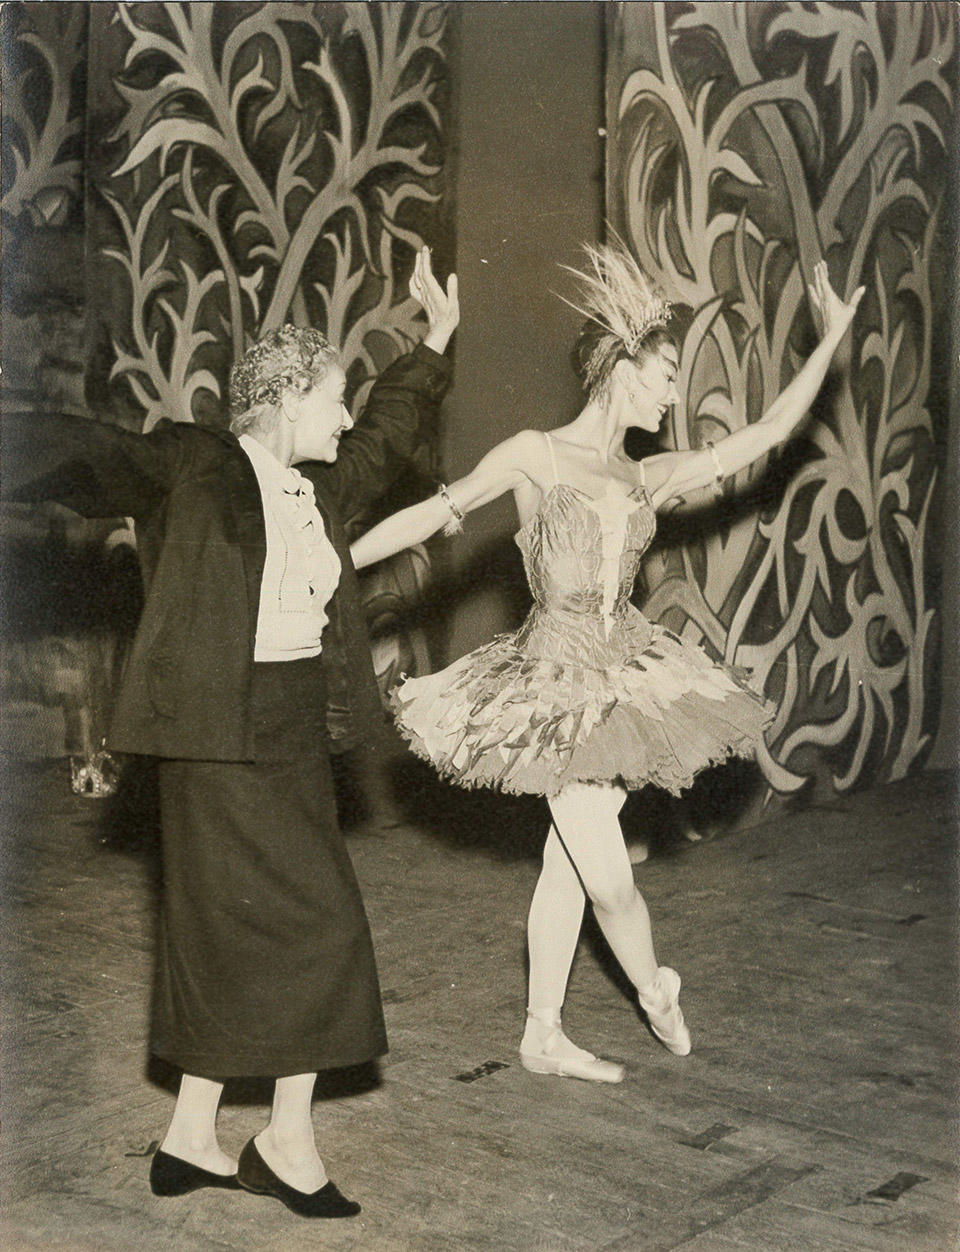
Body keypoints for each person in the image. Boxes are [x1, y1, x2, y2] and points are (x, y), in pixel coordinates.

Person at [2, 247, 459, 1216]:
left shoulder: (320, 487)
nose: (343, 416)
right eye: (331, 398)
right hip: (215, 735)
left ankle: (189, 1135)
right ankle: (287, 1142)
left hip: (294, 731)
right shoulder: (195, 464)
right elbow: (80, 446)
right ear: (287, 394)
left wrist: (436, 345)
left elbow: (382, 430)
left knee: (225, 933)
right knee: (321, 926)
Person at [350, 243, 863, 1083]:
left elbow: (769, 436)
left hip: (622, 679)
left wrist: (831, 338)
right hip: (549, 682)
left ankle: (542, 1032)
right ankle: (655, 987)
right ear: (622, 369)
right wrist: (339, 562)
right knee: (611, 882)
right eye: (664, 373)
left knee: (567, 863)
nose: (672, 392)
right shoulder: (535, 456)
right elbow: (434, 513)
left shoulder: (645, 475)